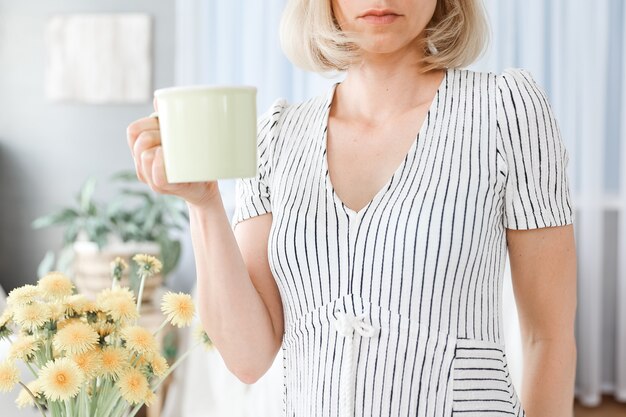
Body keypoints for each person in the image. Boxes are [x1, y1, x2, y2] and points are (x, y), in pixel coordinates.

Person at [127, 0, 578, 416]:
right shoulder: (276, 138)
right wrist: (204, 203)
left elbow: (548, 337)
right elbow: (248, 358)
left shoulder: (505, 111)